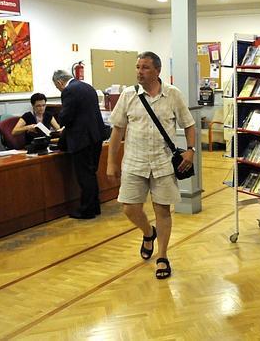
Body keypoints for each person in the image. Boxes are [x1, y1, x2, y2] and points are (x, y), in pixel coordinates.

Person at [106, 51, 196, 280]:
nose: (139, 72)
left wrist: (191, 150)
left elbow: (189, 125)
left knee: (162, 210)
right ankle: (148, 232)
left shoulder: (173, 94)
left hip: (163, 163)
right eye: (138, 67)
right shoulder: (128, 95)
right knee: (129, 208)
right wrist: (110, 162)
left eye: (145, 67)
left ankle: (162, 256)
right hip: (134, 162)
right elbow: (117, 130)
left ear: (157, 70)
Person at [52, 70, 106, 219]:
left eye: (57, 88)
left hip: (81, 139)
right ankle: (95, 206)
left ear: (59, 82)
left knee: (84, 176)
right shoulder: (87, 87)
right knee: (91, 173)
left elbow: (66, 116)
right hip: (96, 136)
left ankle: (87, 210)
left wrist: (60, 121)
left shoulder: (69, 90)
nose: (59, 90)